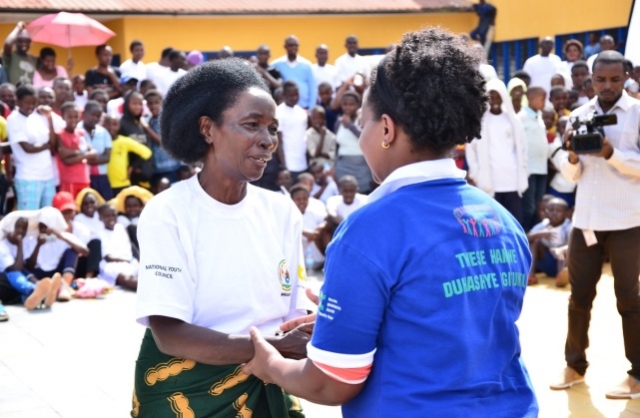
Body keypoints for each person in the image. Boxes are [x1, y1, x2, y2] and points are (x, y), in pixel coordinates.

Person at [241, 27, 538, 418]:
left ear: (386, 129)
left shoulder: (369, 231)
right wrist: (350, 317)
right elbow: (453, 326)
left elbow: (331, 381)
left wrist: (271, 366)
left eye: (363, 123)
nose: (361, 135)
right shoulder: (503, 221)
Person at [132, 58, 314, 416]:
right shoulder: (169, 212)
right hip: (184, 392)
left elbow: (294, 308)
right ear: (207, 129)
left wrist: (316, 321)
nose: (267, 141)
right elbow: (169, 334)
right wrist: (273, 346)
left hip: (268, 382)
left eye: (272, 129)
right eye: (252, 125)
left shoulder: (281, 212)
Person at [550, 50, 640, 400]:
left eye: (615, 79)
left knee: (630, 300)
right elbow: (572, 174)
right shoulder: (579, 115)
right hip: (586, 220)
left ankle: (637, 374)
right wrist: (573, 155)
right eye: (600, 79)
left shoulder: (636, 114)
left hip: (628, 221)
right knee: (579, 298)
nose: (607, 86)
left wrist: (610, 154)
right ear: (591, 77)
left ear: (627, 76)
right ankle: (574, 365)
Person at [467, 78, 528, 224]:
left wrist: (524, 170)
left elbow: (523, 148)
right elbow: (471, 150)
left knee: (514, 222)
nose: (494, 99)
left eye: (498, 95)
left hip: (512, 181)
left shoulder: (513, 120)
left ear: (504, 97)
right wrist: (476, 174)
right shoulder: (480, 122)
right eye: (491, 96)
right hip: (489, 183)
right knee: (492, 224)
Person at [8, 86, 57, 210]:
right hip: (28, 178)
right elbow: (27, 148)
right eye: (27, 102)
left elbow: (53, 141)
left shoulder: (37, 116)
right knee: (29, 219)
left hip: (48, 176)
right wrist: (47, 146)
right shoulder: (13, 119)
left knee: (48, 218)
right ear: (18, 101)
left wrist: (49, 119)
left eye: (33, 103)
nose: (30, 106)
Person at [0, 216, 60, 310]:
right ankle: (34, 289)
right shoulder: (2, 245)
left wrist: (38, 245)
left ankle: (41, 296)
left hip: (17, 280)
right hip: (5, 278)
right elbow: (16, 268)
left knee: (23, 272)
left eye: (24, 228)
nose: (21, 231)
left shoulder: (26, 241)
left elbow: (30, 266)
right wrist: (19, 244)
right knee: (15, 274)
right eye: (18, 227)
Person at [519, 86, 549, 231]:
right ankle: (526, 233)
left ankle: (535, 232)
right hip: (529, 168)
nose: (545, 102)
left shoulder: (539, 116)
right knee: (529, 206)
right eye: (542, 99)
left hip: (541, 167)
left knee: (539, 204)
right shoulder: (521, 118)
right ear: (532, 99)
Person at [333, 90, 373, 193]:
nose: (348, 107)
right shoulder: (339, 121)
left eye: (351, 104)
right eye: (345, 104)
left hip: (361, 166)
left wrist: (350, 126)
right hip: (343, 166)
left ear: (358, 105)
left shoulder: (362, 119)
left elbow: (367, 137)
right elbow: (335, 144)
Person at [527, 197, 571, 286]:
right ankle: (531, 276)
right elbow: (525, 239)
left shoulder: (568, 226)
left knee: (562, 251)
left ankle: (560, 277)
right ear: (546, 212)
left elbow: (574, 246)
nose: (554, 213)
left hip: (563, 262)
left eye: (559, 211)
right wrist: (540, 234)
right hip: (547, 262)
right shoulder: (544, 224)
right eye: (551, 210)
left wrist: (561, 249)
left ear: (566, 213)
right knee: (535, 242)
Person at [104, 115, 152, 195]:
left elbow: (147, 152)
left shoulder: (124, 141)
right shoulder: (100, 142)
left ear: (119, 126)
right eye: (108, 124)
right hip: (105, 184)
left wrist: (132, 167)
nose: (111, 128)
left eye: (115, 124)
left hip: (123, 184)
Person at [56, 102, 96, 197]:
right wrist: (84, 154)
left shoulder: (81, 133)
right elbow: (66, 160)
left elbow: (94, 154)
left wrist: (75, 154)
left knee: (84, 206)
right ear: (63, 117)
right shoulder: (59, 134)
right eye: (70, 117)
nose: (73, 120)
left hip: (84, 179)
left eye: (76, 117)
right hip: (69, 180)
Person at [96, 203, 138, 291]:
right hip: (111, 265)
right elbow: (108, 257)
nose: (111, 218)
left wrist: (131, 260)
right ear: (100, 217)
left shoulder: (120, 227)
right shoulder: (99, 232)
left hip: (129, 261)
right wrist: (127, 260)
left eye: (113, 215)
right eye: (107, 216)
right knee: (126, 278)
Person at [145, 90, 181, 185]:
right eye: (150, 103)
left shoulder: (167, 119)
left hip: (170, 166)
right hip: (155, 168)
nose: (153, 106)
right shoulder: (147, 120)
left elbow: (163, 141)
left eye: (156, 103)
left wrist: (146, 128)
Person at [119, 91, 153, 189]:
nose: (137, 107)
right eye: (134, 104)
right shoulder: (122, 124)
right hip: (132, 175)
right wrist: (133, 166)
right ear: (126, 104)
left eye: (140, 104)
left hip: (146, 173)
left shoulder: (141, 123)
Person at [79, 101, 113, 199]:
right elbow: (76, 155)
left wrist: (87, 159)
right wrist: (94, 158)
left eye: (98, 116)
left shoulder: (103, 132)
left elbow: (107, 157)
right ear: (84, 114)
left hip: (101, 178)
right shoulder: (77, 130)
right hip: (84, 177)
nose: (95, 118)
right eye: (92, 115)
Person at [272, 35, 316, 109]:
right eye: (290, 45)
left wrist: (311, 108)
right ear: (285, 47)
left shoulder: (307, 65)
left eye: (296, 45)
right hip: (285, 108)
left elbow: (312, 88)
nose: (293, 48)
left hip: (304, 107)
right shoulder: (277, 64)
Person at [276, 81, 309, 180]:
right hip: (289, 164)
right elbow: (279, 142)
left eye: (296, 94)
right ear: (284, 95)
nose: (294, 97)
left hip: (303, 163)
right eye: (291, 95)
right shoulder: (278, 112)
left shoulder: (301, 112)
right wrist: (284, 166)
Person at [290, 183, 327, 270]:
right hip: (296, 256)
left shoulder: (313, 212)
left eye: (304, 199)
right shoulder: (288, 214)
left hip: (314, 252)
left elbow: (326, 221)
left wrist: (320, 228)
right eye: (298, 199)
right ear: (292, 200)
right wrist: (304, 232)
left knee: (326, 233)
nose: (302, 202)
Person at [2, 21, 37, 86]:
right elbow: (8, 43)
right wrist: (18, 28)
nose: (24, 44)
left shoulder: (33, 58)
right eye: (20, 41)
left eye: (27, 41)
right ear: (15, 42)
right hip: (14, 94)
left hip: (29, 94)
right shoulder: (10, 56)